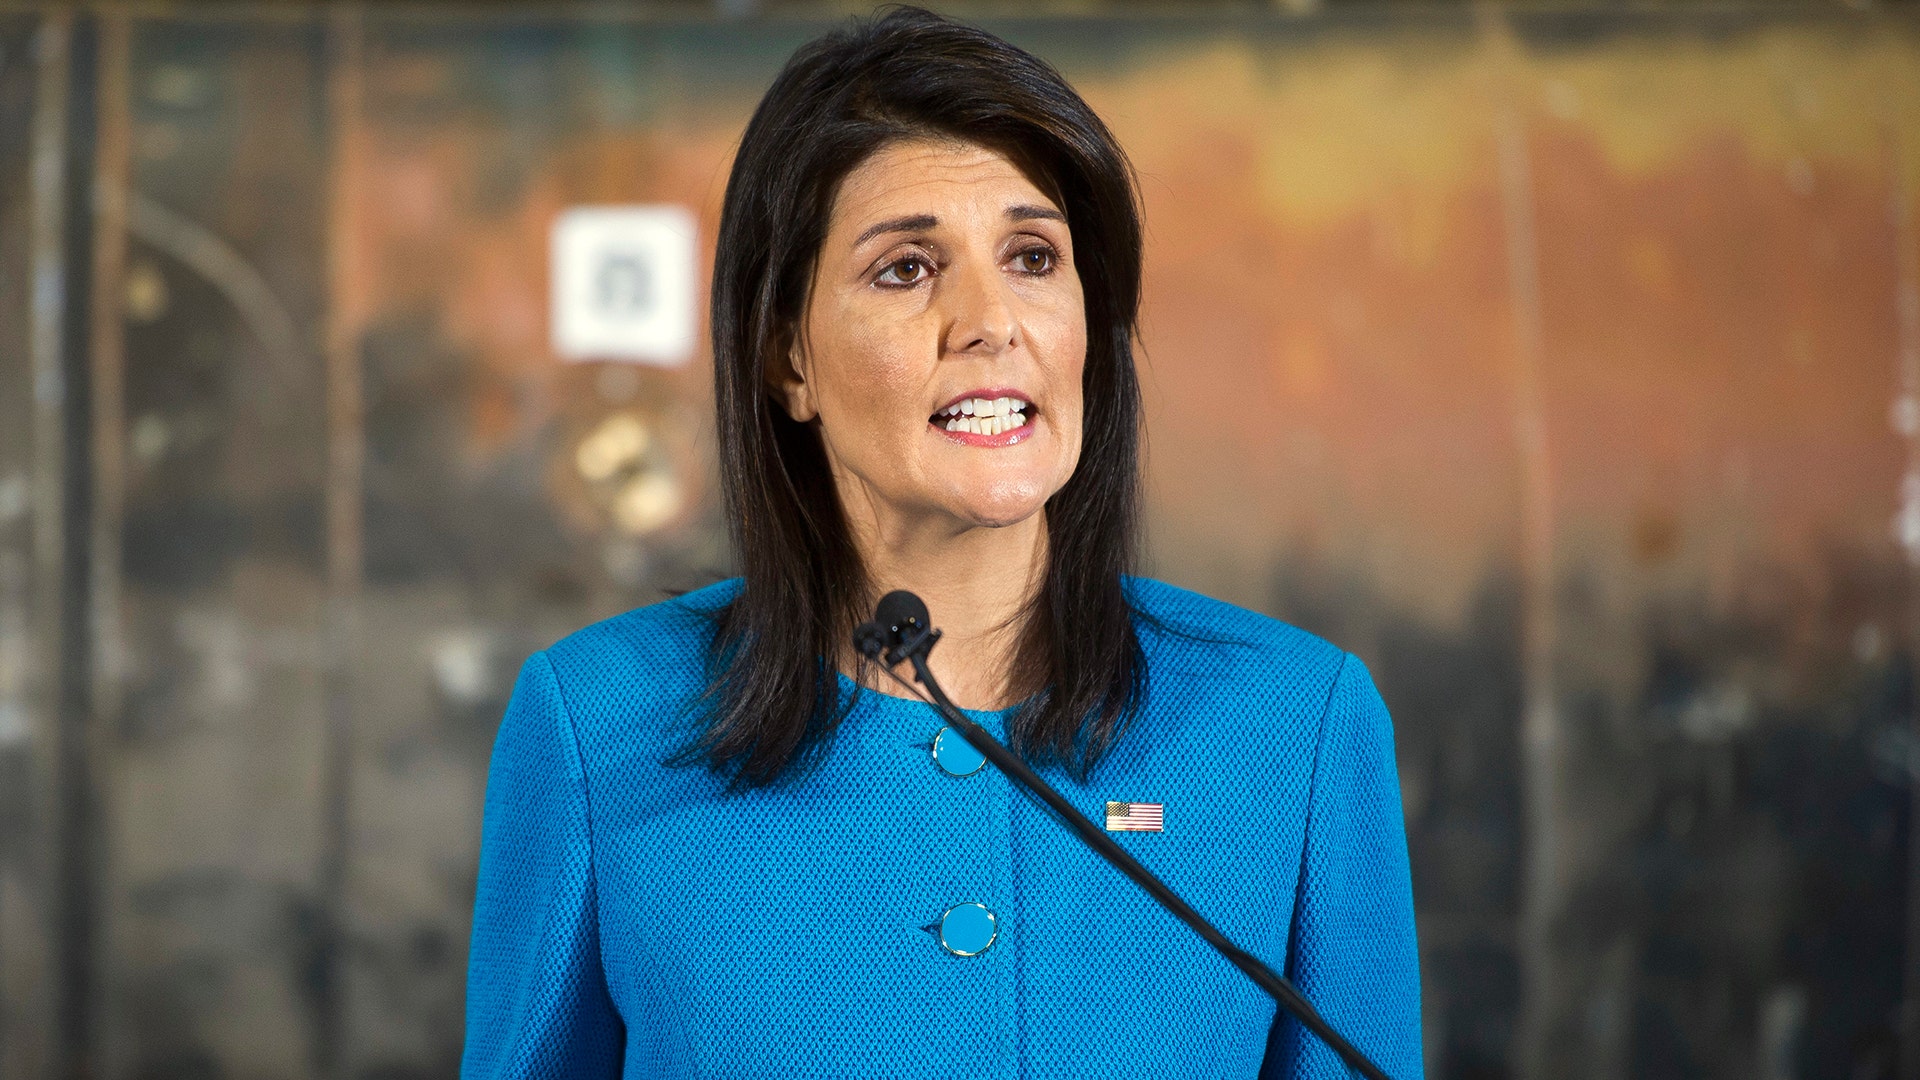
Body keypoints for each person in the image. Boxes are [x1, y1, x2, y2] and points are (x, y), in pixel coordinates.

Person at [461, 8, 1421, 1078]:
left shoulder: (1297, 724)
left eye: (1032, 256)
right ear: (789, 361)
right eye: (907, 269)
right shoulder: (599, 721)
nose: (990, 321)